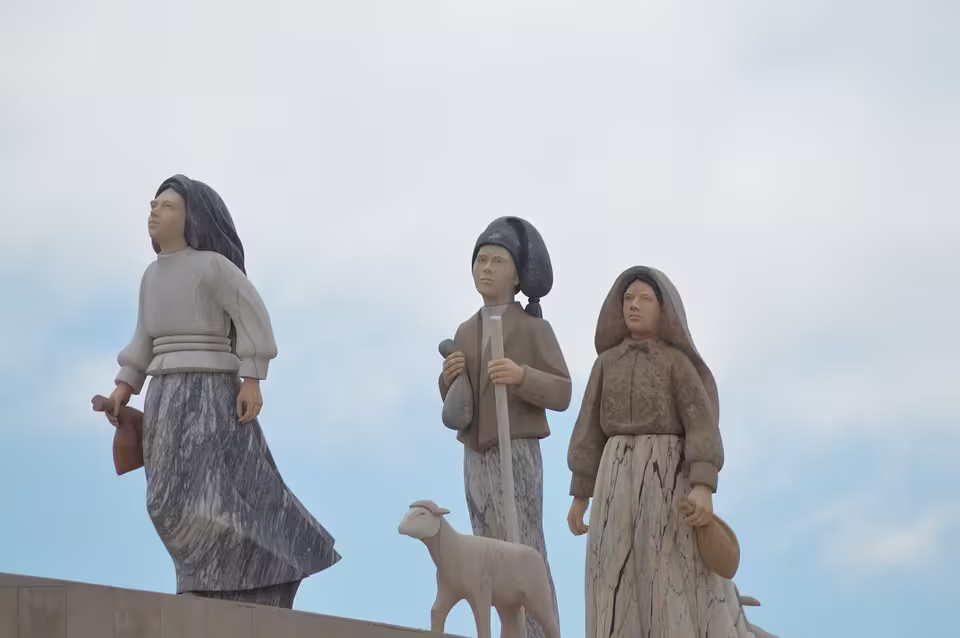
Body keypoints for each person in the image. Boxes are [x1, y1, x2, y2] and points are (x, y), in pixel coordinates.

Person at [102, 174, 340, 608]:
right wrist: (124, 387)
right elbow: (143, 339)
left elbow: (252, 316)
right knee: (164, 499)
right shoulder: (151, 277)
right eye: (153, 204)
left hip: (209, 389)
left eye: (167, 206)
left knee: (210, 490)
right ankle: (201, 572)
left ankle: (235, 574)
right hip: (163, 393)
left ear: (191, 217)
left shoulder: (212, 267)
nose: (154, 211)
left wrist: (251, 378)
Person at [567, 266, 753, 637]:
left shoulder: (675, 362)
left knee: (665, 564)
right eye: (628, 299)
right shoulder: (606, 364)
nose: (634, 306)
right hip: (614, 473)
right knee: (612, 565)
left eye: (644, 299)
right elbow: (588, 429)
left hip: (665, 470)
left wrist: (702, 484)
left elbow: (700, 422)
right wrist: (580, 494)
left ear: (663, 308)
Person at [439, 217, 571, 638]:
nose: (486, 268)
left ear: (517, 275)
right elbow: (457, 402)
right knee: (486, 545)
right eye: (481, 259)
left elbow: (563, 391)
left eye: (497, 260)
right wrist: (449, 376)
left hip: (515, 447)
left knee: (523, 544)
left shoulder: (533, 328)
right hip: (475, 451)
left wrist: (522, 376)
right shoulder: (465, 330)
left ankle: (538, 629)